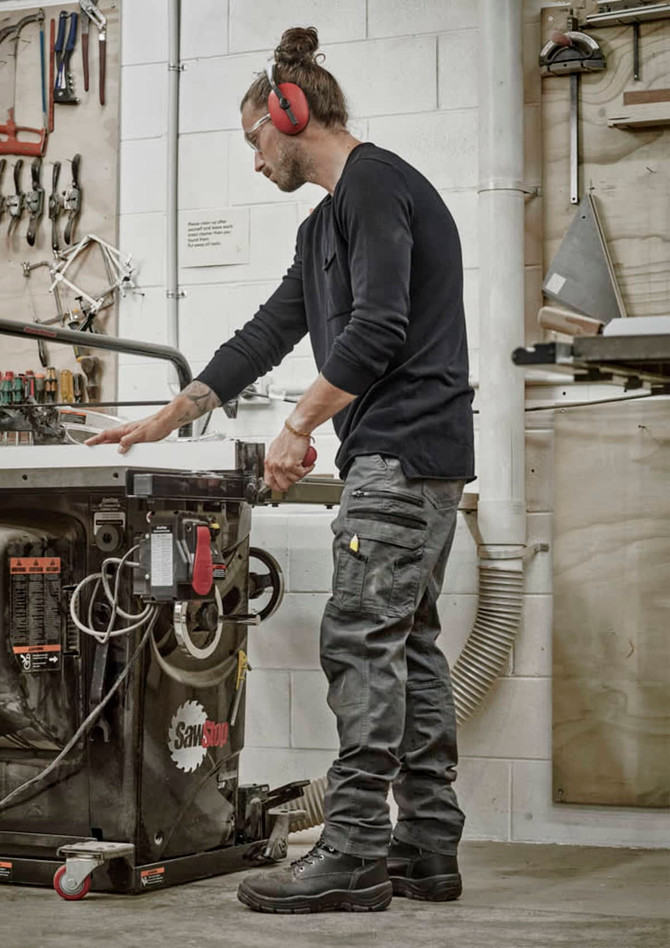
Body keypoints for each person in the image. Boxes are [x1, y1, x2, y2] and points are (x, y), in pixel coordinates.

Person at [87, 26, 474, 914]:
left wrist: (297, 428)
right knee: (405, 647)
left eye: (256, 141)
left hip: (403, 457)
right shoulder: (325, 223)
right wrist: (172, 413)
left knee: (358, 643)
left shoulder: (376, 184)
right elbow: (268, 331)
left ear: (288, 113)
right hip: (415, 460)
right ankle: (424, 851)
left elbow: (376, 329)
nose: (256, 163)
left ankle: (353, 855)